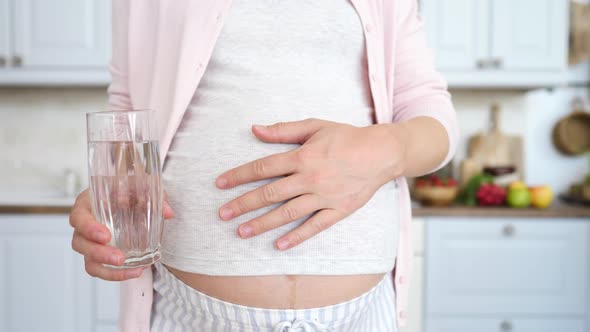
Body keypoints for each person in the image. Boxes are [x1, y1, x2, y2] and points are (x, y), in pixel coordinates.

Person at [70, 0, 459, 331]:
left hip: (361, 316)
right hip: (186, 311)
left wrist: (381, 149)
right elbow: (128, 107)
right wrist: (118, 192)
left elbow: (431, 113)